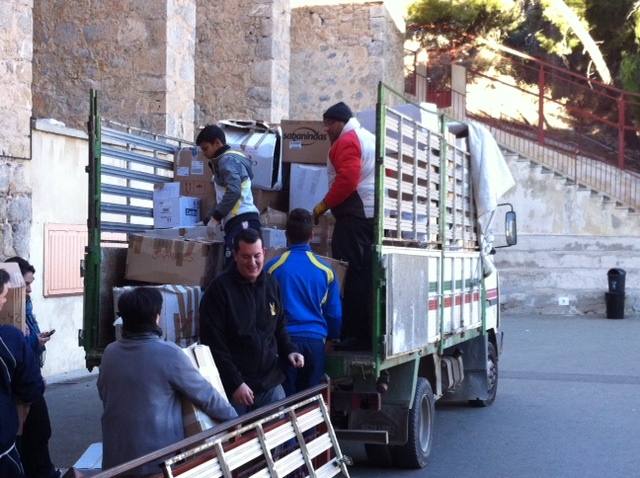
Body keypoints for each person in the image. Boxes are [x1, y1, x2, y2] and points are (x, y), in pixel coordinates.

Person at [97, 287, 237, 476]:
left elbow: (103, 393)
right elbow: (207, 396)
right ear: (156, 317)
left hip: (115, 462)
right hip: (156, 464)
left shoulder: (110, 352)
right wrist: (235, 420)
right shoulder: (169, 354)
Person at [199, 228, 304, 415]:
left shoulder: (272, 285)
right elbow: (213, 343)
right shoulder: (219, 290)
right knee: (238, 443)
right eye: (246, 257)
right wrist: (235, 383)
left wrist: (290, 350)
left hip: (270, 385)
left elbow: (279, 326)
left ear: (264, 252)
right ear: (236, 255)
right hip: (235, 391)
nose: (253, 263)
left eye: (257, 256)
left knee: (277, 440)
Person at [312, 102, 376, 351]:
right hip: (369, 215)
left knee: (349, 274)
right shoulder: (366, 137)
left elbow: (348, 179)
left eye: (329, 123)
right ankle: (364, 331)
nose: (326, 129)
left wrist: (322, 206)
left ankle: (353, 334)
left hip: (354, 216)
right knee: (364, 274)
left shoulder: (347, 141)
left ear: (341, 121)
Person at [265, 209, 342, 396]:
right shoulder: (326, 270)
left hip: (284, 343)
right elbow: (334, 314)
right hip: (316, 344)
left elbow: (265, 309)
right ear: (312, 235)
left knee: (285, 404)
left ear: (286, 235)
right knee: (310, 406)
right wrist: (332, 337)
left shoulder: (272, 267)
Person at [5, 257, 58, 478]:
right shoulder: (9, 311)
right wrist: (34, 342)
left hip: (30, 381)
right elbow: (13, 348)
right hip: (22, 387)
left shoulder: (24, 306)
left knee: (38, 433)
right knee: (34, 433)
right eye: (25, 284)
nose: (29, 289)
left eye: (31, 283)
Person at [196, 124, 261, 267]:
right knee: (233, 269)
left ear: (218, 143)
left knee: (239, 269)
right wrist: (208, 220)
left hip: (242, 220)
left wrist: (216, 217)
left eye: (205, 148)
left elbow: (234, 192)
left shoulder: (227, 161)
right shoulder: (224, 162)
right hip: (236, 222)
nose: (204, 154)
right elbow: (223, 197)